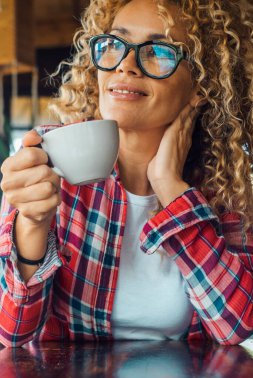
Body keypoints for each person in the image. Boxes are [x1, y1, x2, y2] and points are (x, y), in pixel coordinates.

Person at [0, 0, 253, 347]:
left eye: (158, 51)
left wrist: (169, 186)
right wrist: (31, 223)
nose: (126, 65)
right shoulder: (50, 158)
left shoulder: (225, 186)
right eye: (113, 45)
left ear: (201, 82)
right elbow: (12, 333)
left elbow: (237, 327)